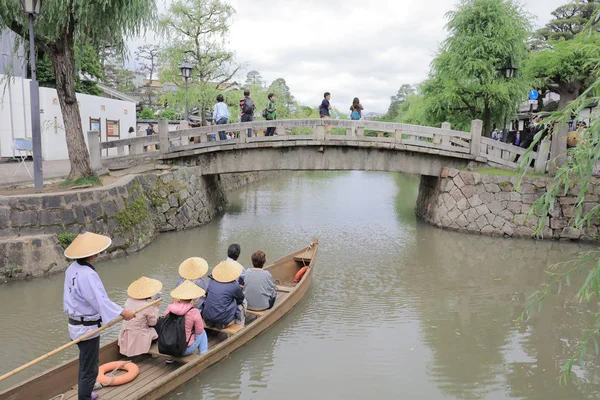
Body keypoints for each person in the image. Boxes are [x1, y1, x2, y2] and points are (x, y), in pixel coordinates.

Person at [63, 232, 135, 400]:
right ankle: (85, 398)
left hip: (75, 324)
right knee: (90, 368)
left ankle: (85, 393)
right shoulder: (88, 275)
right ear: (94, 254)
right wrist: (123, 312)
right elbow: (100, 301)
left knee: (85, 362)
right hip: (86, 328)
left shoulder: (71, 268)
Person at [118, 277, 162, 357]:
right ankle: (153, 353)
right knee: (159, 323)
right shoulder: (146, 306)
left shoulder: (128, 301)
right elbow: (153, 322)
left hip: (127, 333)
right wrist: (155, 308)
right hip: (138, 335)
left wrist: (151, 306)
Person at [164, 280, 208, 358]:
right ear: (192, 298)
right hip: (184, 350)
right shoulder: (194, 311)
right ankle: (204, 354)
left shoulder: (169, 308)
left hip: (168, 347)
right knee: (203, 332)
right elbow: (199, 331)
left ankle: (169, 358)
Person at [202, 261, 246, 328]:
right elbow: (241, 299)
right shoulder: (234, 285)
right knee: (243, 303)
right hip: (222, 321)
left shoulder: (212, 282)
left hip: (207, 318)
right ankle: (239, 326)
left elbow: (208, 295)